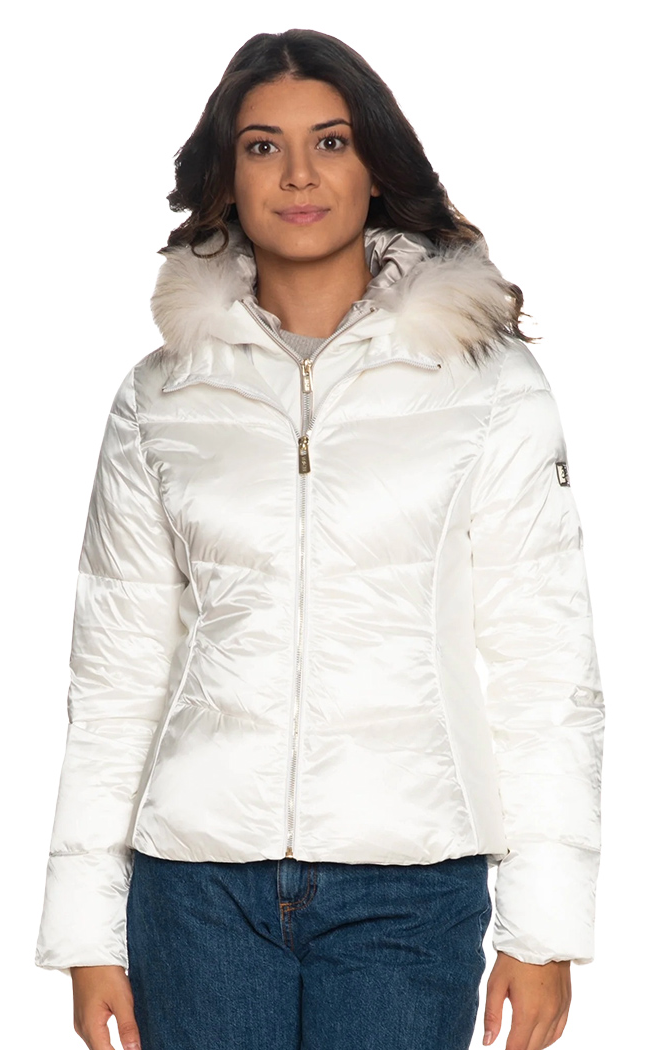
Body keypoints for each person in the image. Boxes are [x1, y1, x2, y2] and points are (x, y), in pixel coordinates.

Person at [35, 27, 605, 1050]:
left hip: (411, 887)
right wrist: (87, 934)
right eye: (263, 146)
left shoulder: (488, 385)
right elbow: (115, 674)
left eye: (330, 141)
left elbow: (544, 664)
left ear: (376, 164)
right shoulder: (161, 396)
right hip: (195, 892)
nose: (298, 173)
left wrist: (547, 927)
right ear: (226, 177)